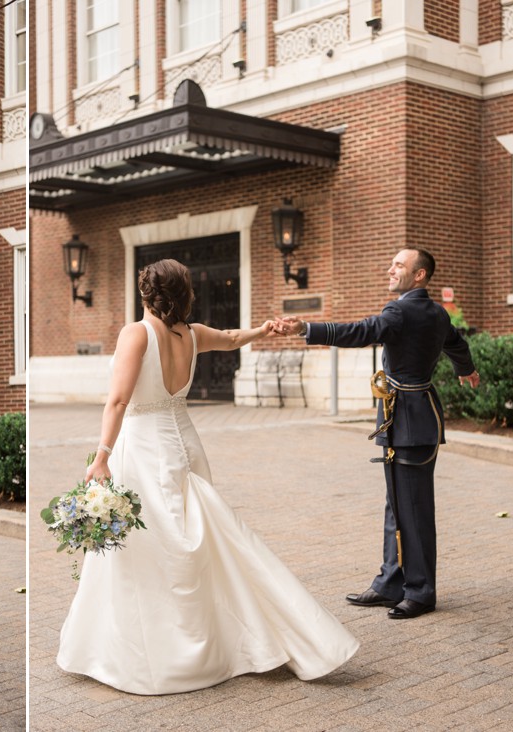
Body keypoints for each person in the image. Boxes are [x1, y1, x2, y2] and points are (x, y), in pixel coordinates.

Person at [57, 259, 359, 695]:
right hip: (186, 444)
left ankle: (168, 648)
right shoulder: (192, 334)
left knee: (156, 545)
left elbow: (119, 401)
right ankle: (224, 631)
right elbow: (234, 338)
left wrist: (101, 456)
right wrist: (264, 330)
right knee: (194, 539)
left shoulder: (135, 334)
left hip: (144, 450)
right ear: (183, 294)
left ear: (144, 291)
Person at [276, 248, 479, 620]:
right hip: (411, 415)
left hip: (410, 419)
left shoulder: (400, 311)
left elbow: (361, 331)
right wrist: (467, 369)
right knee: (398, 502)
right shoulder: (435, 312)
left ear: (419, 276)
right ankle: (391, 583)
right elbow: (456, 343)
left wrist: (307, 329)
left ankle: (420, 592)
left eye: (399, 265)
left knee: (413, 507)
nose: (390, 269)